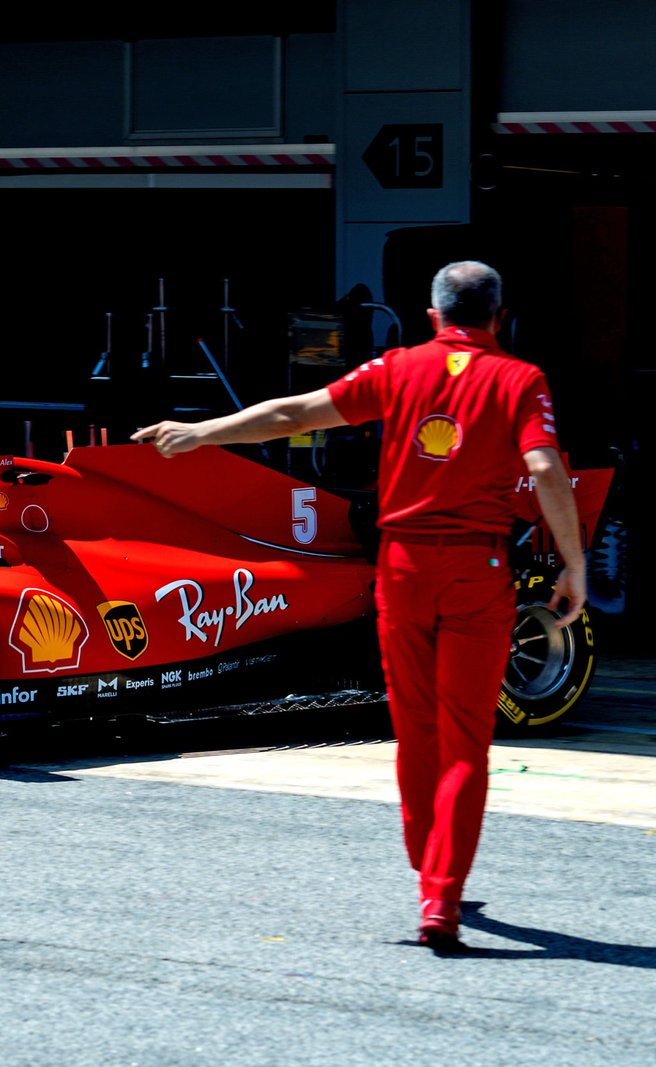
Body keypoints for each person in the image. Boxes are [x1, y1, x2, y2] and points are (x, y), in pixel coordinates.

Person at [131, 261, 586, 955]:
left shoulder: (397, 367)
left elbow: (291, 414)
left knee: (415, 727)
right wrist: (574, 563)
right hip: (478, 567)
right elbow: (547, 467)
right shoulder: (521, 379)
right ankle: (442, 895)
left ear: (432, 316)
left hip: (402, 564)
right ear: (500, 317)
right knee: (466, 737)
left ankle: (425, 865)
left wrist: (200, 433)